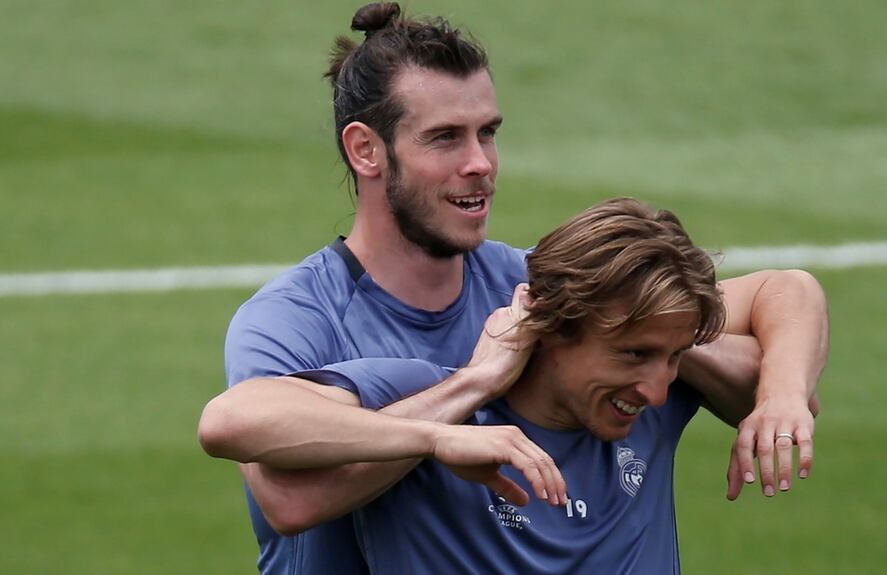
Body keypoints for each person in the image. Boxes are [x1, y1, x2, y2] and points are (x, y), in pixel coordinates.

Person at [197, 4, 828, 575]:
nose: (481, 163)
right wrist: (471, 389)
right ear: (367, 150)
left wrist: (774, 391)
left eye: (488, 133)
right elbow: (284, 492)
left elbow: (785, 293)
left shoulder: (545, 288)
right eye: (446, 137)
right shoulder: (294, 320)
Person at [301, 197, 752, 573]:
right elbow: (238, 424)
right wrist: (453, 412)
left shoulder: (655, 398)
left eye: (674, 357)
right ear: (553, 325)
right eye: (634, 354)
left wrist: (781, 395)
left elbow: (789, 293)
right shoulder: (426, 392)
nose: (657, 392)